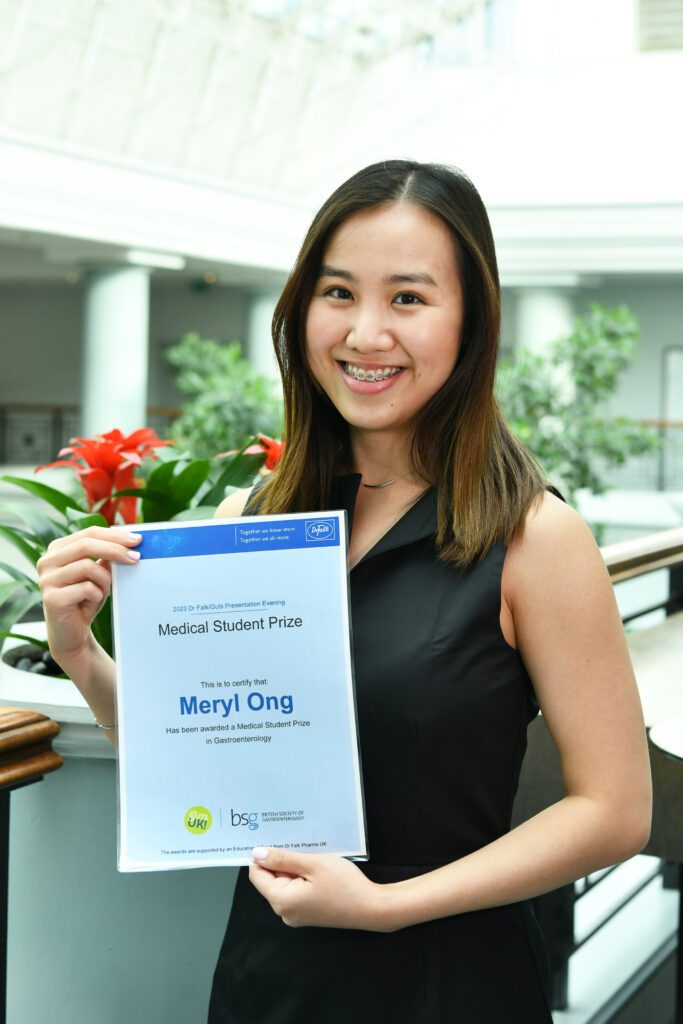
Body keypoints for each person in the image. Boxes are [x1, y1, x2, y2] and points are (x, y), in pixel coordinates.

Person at [37, 159, 652, 1023]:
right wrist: (78, 649)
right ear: (302, 310)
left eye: (407, 298)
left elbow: (614, 811)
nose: (366, 333)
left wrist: (384, 906)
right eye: (337, 293)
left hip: (445, 973)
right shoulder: (256, 513)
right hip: (270, 970)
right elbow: (197, 751)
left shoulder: (533, 537)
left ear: (470, 321)